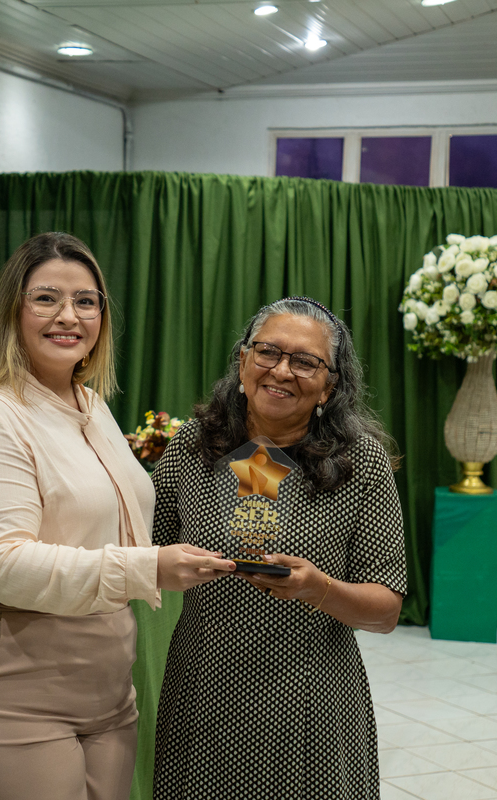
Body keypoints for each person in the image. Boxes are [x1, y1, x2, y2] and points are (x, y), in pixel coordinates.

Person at [0, 232, 235, 800]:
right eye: (46, 299)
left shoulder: (90, 404)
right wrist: (147, 568)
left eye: (86, 301)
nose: (69, 316)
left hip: (109, 695)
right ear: (11, 311)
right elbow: (1, 565)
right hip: (10, 697)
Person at [151, 296, 407, 799]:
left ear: (329, 386)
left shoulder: (361, 463)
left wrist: (318, 589)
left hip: (310, 705)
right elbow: (142, 552)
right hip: (203, 694)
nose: (282, 370)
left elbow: (386, 610)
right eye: (268, 351)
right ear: (243, 361)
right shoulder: (194, 445)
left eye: (305, 361)